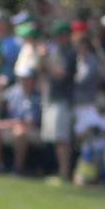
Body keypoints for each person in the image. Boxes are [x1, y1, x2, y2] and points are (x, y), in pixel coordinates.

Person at [40, 20, 77, 182]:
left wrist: (47, 61)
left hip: (63, 99)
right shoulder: (56, 51)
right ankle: (60, 171)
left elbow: (61, 74)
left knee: (62, 138)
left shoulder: (70, 53)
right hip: (51, 97)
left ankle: (64, 173)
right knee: (55, 139)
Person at [0, 67, 42, 174]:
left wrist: (9, 124)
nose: (25, 81)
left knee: (20, 132)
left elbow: (30, 122)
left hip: (32, 130)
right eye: (22, 78)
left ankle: (17, 168)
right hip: (12, 126)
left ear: (33, 80)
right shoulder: (13, 91)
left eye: (28, 78)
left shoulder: (37, 95)